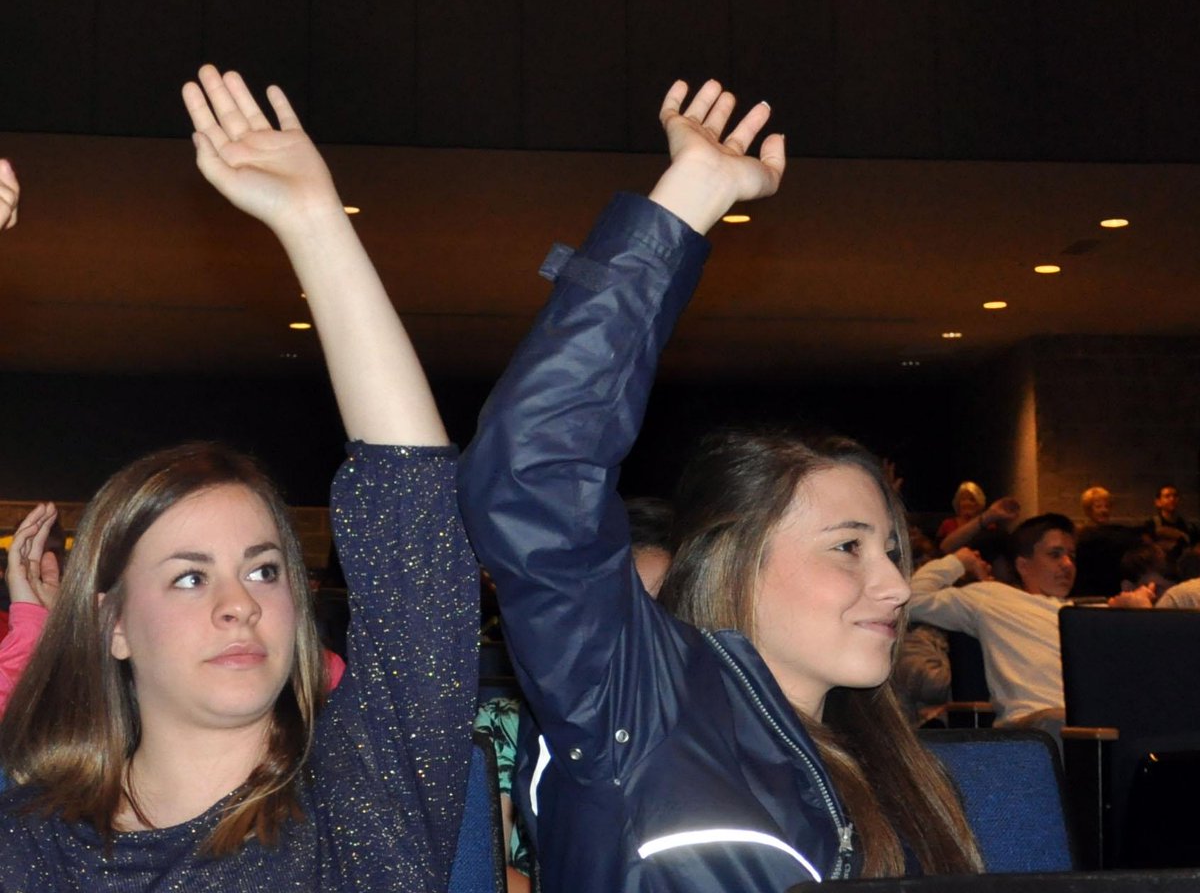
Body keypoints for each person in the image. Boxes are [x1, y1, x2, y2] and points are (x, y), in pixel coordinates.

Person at [459, 79, 981, 891]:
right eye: (848, 546)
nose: (893, 582)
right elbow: (533, 466)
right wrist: (692, 194)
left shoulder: (904, 772)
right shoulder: (638, 711)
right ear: (731, 556)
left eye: (890, 547)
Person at [0, 66, 477, 890]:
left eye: (264, 568)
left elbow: (416, 523)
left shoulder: (363, 807)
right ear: (112, 626)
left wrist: (315, 223)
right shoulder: (32, 846)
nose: (240, 603)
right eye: (189, 576)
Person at [908, 514, 1153, 734]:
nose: (1068, 564)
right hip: (1035, 726)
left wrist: (1137, 616)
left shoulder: (1093, 614)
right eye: (1055, 554)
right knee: (1075, 724)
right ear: (1023, 564)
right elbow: (912, 600)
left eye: (1072, 556)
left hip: (1095, 725)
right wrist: (958, 561)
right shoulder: (992, 597)